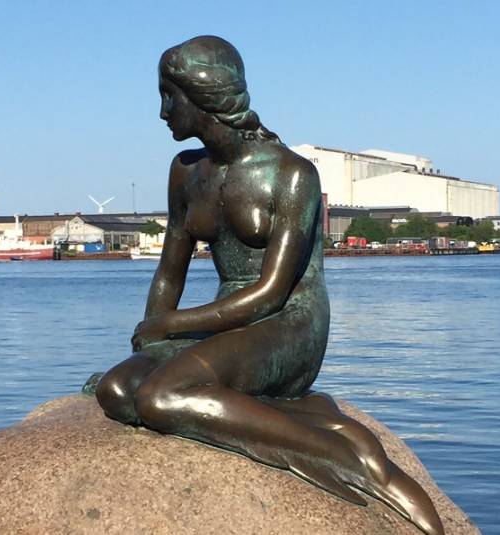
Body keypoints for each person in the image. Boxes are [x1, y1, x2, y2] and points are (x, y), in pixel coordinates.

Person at [95, 35, 443, 535]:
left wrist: (169, 325)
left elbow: (272, 293)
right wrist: (149, 338)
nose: (163, 111)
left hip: (289, 324)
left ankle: (348, 456)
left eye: (169, 96)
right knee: (116, 389)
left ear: (204, 95)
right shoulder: (184, 173)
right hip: (227, 321)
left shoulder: (292, 174)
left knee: (161, 397)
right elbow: (170, 271)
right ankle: (304, 413)